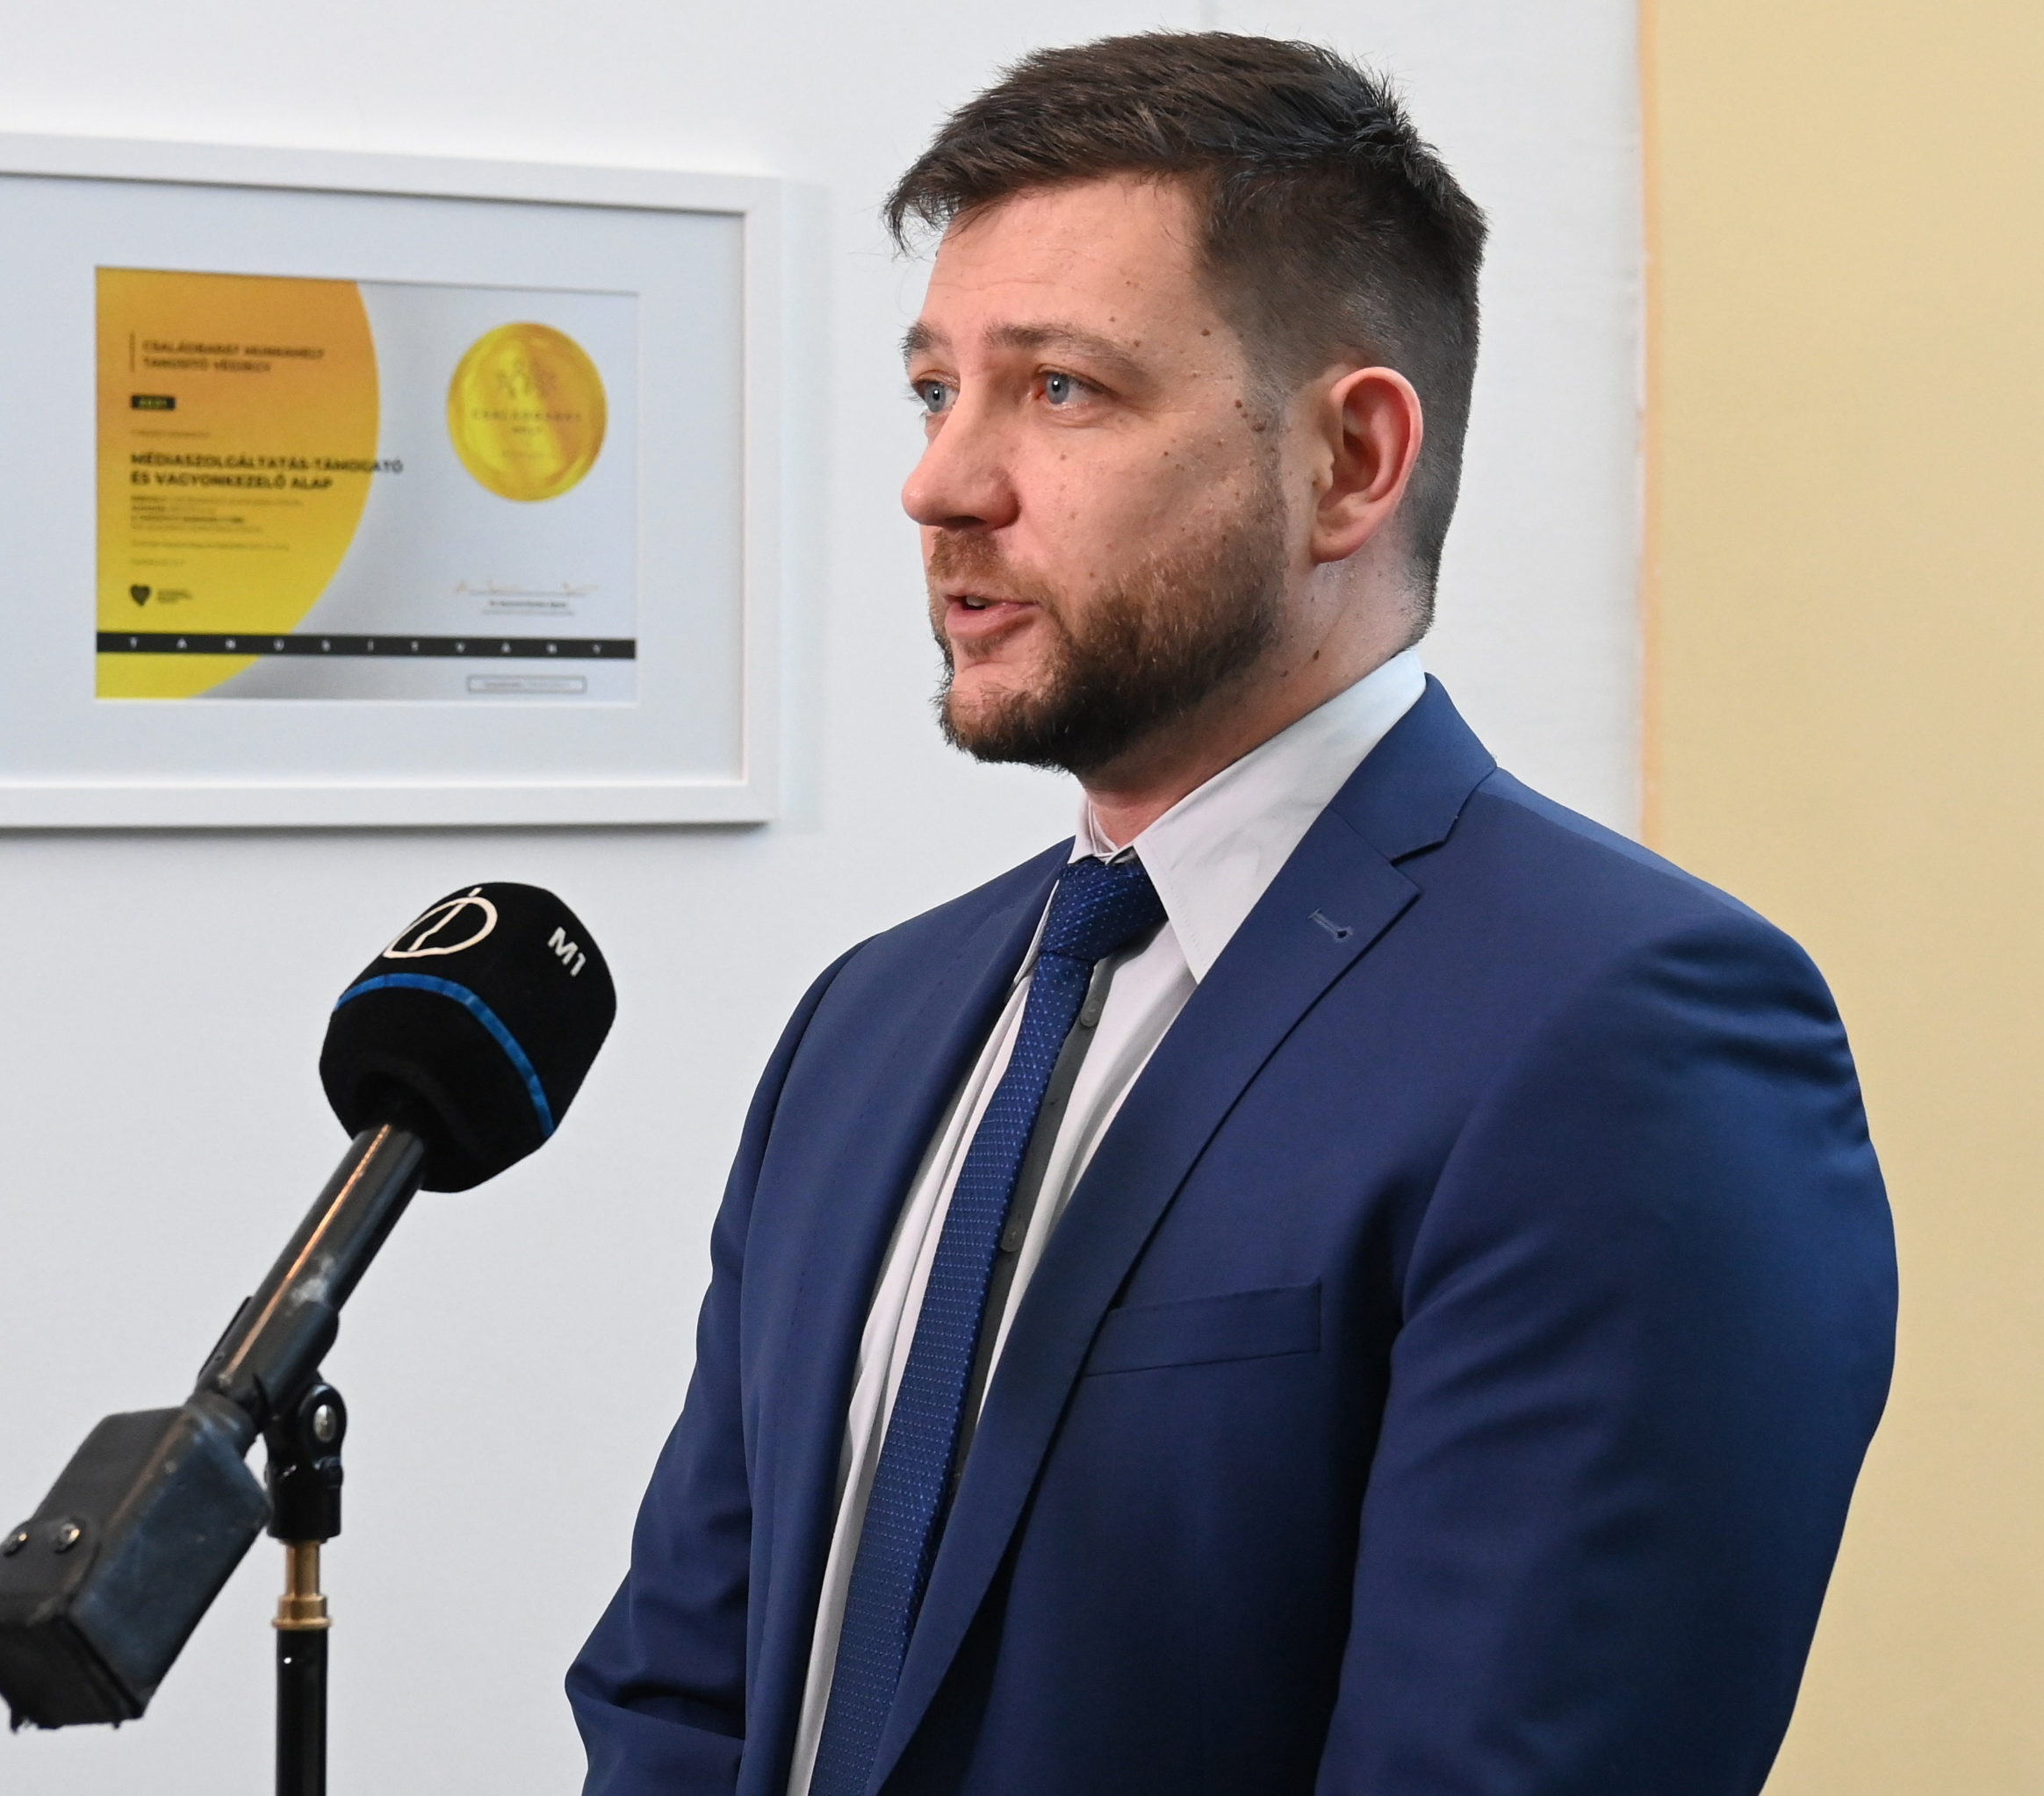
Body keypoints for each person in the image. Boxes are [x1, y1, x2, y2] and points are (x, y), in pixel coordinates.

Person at [568, 32, 1896, 1796]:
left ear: (1351, 459)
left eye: (1059, 390)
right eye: (934, 389)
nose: (942, 482)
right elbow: (681, 1689)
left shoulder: (1624, 1033)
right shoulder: (869, 1023)